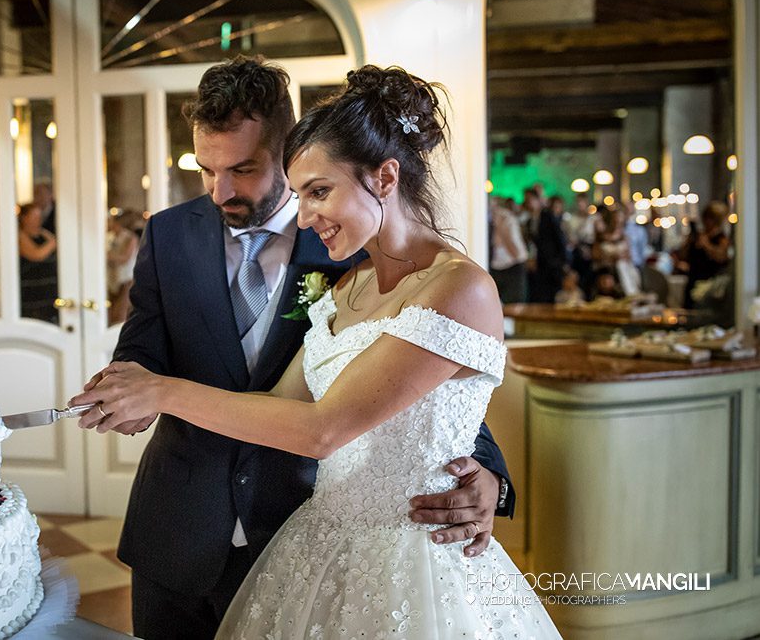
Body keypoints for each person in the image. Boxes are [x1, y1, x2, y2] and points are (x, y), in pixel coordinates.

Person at [74, 65, 554, 639]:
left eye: (244, 169)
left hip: (305, 521)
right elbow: (150, 346)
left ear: (286, 149)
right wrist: (134, 388)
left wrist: (488, 475)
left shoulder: (355, 249)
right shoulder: (179, 236)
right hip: (185, 522)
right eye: (207, 169)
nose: (221, 190)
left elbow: (428, 391)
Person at [18, 202, 58, 322]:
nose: (38, 221)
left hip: (48, 292)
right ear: (24, 218)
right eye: (34, 217)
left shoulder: (43, 234)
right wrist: (53, 242)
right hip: (31, 293)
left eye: (39, 217)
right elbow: (37, 255)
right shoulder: (20, 236)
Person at [488, 195, 528, 303]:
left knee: (514, 305)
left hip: (511, 265)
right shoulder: (487, 217)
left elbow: (514, 248)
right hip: (496, 266)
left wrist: (500, 228)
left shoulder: (505, 218)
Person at [106, 211, 139, 324]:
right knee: (111, 311)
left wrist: (107, 256)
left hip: (126, 278)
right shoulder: (111, 237)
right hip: (112, 278)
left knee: (121, 312)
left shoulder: (130, 238)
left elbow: (126, 258)